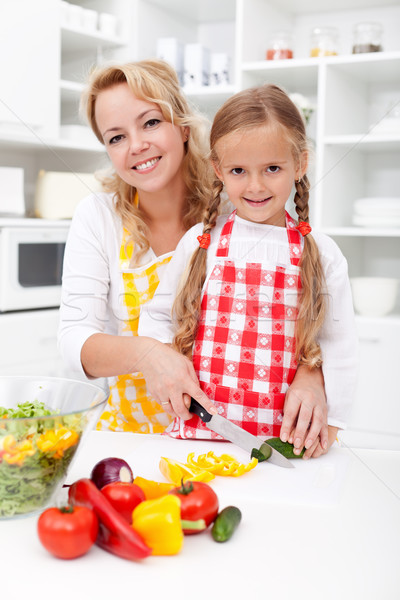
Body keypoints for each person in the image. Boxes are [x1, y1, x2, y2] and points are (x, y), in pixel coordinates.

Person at [58, 60, 329, 456]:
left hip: (227, 441)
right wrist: (148, 353)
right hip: (131, 442)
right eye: (116, 138)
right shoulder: (99, 216)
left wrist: (311, 374)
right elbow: (73, 341)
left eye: (150, 123)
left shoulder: (239, 203)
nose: (136, 146)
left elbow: (301, 312)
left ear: (182, 126)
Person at [139, 83, 358, 457]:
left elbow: (338, 344)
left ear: (301, 164)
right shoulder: (200, 243)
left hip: (285, 446)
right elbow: (158, 317)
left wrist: (331, 421)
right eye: (239, 170)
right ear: (218, 169)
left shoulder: (322, 253)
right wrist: (168, 367)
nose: (255, 186)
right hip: (197, 441)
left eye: (272, 168)